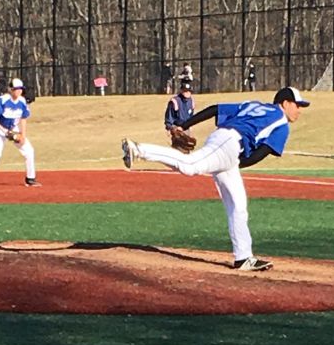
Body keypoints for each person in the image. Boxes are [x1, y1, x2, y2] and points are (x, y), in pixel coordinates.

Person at [120, 86, 311, 271]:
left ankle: (243, 257)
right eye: (297, 105)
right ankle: (139, 150)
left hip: (222, 138)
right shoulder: (281, 123)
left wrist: (183, 125)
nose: (299, 110)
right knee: (189, 165)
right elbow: (261, 153)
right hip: (230, 145)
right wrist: (236, 162)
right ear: (285, 103)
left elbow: (214, 110)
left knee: (238, 205)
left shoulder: (253, 105)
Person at [0, 78, 41, 188]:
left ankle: (30, 178)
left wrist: (22, 135)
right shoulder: (3, 100)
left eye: (20, 89)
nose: (18, 91)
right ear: (10, 90)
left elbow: (23, 118)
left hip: (14, 128)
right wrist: (7, 132)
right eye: (16, 89)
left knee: (29, 151)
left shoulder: (22, 101)